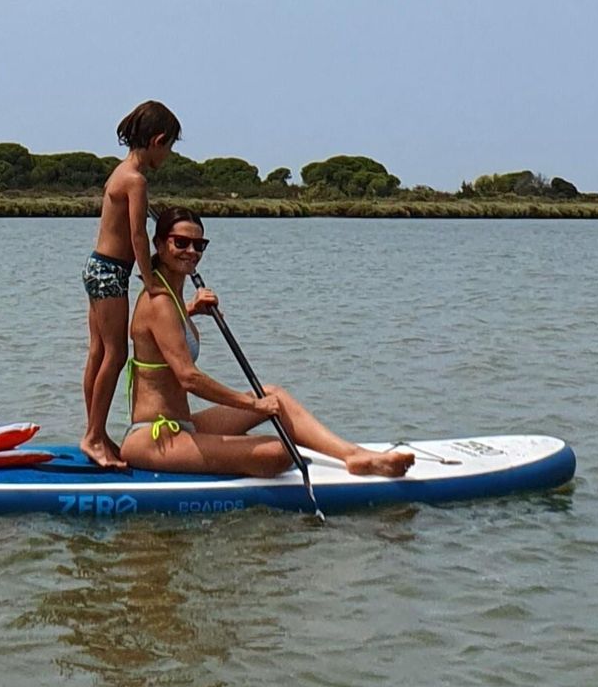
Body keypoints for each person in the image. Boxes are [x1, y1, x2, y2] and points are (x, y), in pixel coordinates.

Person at [120, 207, 416, 479]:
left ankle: (353, 456)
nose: (191, 251)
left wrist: (191, 310)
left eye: (199, 245)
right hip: (156, 439)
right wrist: (251, 404)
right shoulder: (158, 301)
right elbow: (188, 378)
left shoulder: (172, 300)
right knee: (279, 452)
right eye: (180, 243)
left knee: (274, 394)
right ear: (159, 245)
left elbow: (161, 334)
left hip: (185, 424)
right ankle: (238, 452)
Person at [80, 100, 181, 469]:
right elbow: (139, 235)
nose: (168, 154)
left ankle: (96, 432)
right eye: (169, 146)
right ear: (157, 140)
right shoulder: (136, 180)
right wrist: (152, 280)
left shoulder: (119, 172)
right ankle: (93, 436)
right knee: (115, 355)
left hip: (99, 267)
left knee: (98, 353)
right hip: (110, 272)